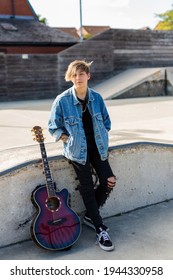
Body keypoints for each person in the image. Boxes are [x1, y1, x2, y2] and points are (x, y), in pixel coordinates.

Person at [48, 60, 116, 251]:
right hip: (77, 150)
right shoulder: (62, 100)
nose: (78, 78)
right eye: (74, 75)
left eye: (81, 74)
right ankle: (99, 227)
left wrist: (101, 136)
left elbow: (107, 122)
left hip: (98, 148)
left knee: (109, 181)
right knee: (86, 186)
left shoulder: (97, 98)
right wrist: (68, 139)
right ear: (70, 77)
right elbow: (53, 126)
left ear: (88, 76)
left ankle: (89, 215)